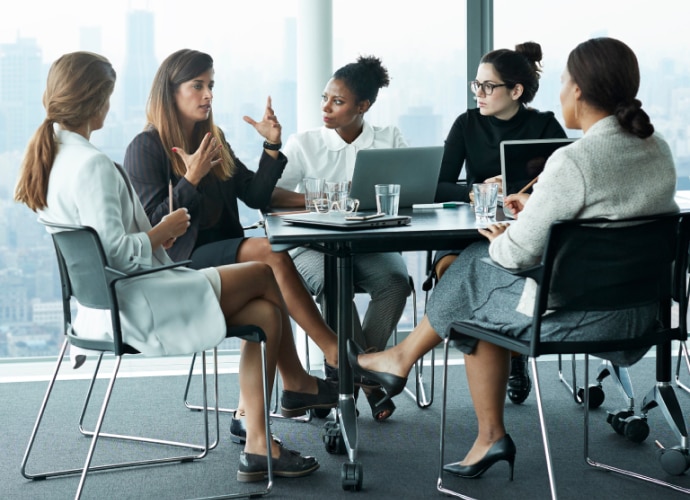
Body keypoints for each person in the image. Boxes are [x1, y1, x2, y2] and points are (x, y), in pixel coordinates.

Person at [347, 37, 678, 478]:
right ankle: (434, 390)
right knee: (472, 283)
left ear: (578, 90)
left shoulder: (573, 161)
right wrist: (533, 214)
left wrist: (507, 233)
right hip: (642, 317)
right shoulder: (657, 148)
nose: (560, 91)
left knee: (473, 270)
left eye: (564, 82)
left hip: (578, 317)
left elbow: (514, 255)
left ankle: (413, 371)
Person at [14, 51, 321, 482]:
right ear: (98, 100)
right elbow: (120, 253)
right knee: (265, 271)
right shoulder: (94, 164)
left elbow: (253, 192)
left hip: (107, 304)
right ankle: (306, 379)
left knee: (266, 314)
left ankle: (258, 442)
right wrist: (164, 229)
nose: (207, 94)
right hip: (139, 300)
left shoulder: (55, 159)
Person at [123, 49, 339, 440]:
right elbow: (156, 225)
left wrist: (272, 147)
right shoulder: (145, 147)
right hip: (179, 264)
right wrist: (189, 179)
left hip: (225, 256)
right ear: (170, 92)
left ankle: (282, 394)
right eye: (197, 86)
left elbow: (254, 194)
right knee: (267, 252)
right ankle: (332, 351)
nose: (207, 95)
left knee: (263, 305)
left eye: (211, 86)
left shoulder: (213, 138)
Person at [271, 55, 412, 421]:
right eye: (324, 98)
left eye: (338, 101)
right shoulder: (305, 143)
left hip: (369, 244)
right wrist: (323, 199)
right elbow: (272, 195)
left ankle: (351, 373)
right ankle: (368, 383)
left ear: (362, 107)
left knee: (397, 283)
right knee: (336, 284)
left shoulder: (389, 138)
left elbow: (409, 191)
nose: (326, 108)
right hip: (313, 245)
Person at [432, 42, 567, 404]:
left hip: (525, 229)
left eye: (488, 86)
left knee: (513, 272)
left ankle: (512, 350)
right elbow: (439, 185)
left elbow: (561, 186)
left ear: (516, 91)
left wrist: (519, 192)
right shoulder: (467, 123)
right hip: (472, 227)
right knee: (449, 269)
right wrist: (476, 191)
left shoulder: (545, 125)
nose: (479, 93)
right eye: (476, 85)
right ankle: (504, 351)